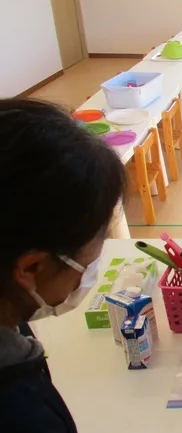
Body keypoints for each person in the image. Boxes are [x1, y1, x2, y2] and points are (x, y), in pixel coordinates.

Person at [0, 99, 126, 432]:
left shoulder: (10, 310)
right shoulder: (21, 415)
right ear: (30, 269)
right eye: (90, 255)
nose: (93, 268)